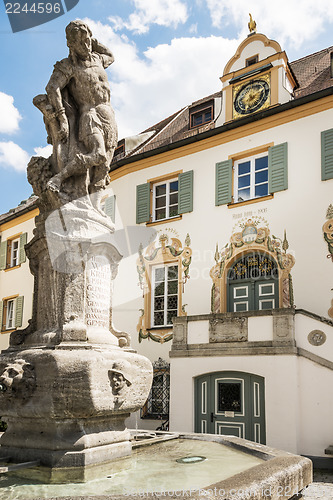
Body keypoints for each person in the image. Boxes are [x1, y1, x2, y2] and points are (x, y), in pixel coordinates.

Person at [45, 20, 118, 194]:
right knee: (98, 154)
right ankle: (60, 177)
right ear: (71, 44)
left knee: (104, 166)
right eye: (80, 41)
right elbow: (52, 87)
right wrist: (62, 117)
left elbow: (111, 56)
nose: (85, 44)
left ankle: (94, 206)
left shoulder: (97, 59)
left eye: (87, 40)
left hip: (108, 115)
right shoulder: (69, 65)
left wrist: (94, 42)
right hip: (89, 114)